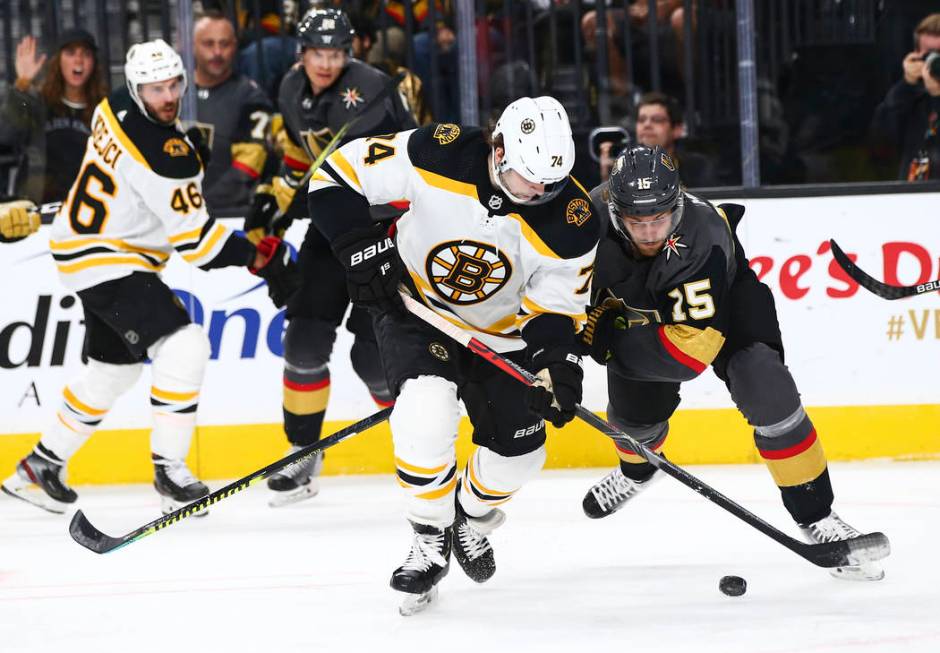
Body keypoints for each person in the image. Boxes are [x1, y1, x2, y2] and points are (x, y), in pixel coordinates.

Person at [306, 96, 601, 610]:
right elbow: (333, 175)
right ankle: (429, 538)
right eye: (529, 177)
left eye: (551, 182)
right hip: (415, 309)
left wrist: (558, 364)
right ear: (499, 147)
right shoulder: (438, 152)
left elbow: (557, 311)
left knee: (522, 458)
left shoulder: (573, 222)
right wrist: (358, 246)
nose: (541, 191)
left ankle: (466, 513)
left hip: (504, 337)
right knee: (423, 413)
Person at [1, 39, 297, 516]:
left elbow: (127, 183)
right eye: (154, 88)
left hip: (79, 241)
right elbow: (199, 245)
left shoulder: (111, 106)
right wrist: (260, 257)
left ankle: (39, 467)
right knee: (185, 344)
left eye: (172, 85)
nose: (166, 96)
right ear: (137, 88)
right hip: (109, 258)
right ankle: (170, 472)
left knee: (113, 369)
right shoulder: (168, 158)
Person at [578, 145, 886, 581]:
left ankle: (817, 515)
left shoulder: (702, 235)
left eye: (659, 220)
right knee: (632, 421)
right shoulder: (584, 219)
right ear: (615, 211)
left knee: (767, 390)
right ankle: (637, 470)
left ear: (677, 204)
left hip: (723, 305)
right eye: (636, 222)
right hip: (640, 314)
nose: (649, 233)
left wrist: (609, 344)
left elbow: (688, 354)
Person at [245, 7, 417, 507]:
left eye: (336, 53)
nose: (327, 62)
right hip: (331, 224)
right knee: (303, 340)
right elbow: (305, 155)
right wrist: (276, 194)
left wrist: (290, 196)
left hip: (386, 227)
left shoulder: (371, 90)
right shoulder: (289, 88)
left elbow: (345, 171)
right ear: (302, 54)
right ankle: (303, 453)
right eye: (318, 53)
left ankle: (421, 449)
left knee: (375, 358)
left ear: (350, 52)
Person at [1, 29, 108, 204]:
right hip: (38, 206)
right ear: (58, 60)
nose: (78, 60)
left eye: (86, 54)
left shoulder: (104, 109)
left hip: (86, 208)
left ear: (94, 63)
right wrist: (22, 85)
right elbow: (6, 134)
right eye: (70, 53)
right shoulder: (37, 101)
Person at [192, 10, 275, 212]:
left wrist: (199, 204)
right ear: (192, 45)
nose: (217, 52)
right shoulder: (173, 92)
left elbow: (247, 168)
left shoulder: (251, 98)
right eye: (208, 44)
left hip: (227, 216)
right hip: (174, 215)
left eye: (224, 44)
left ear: (235, 47)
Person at [872, 13, 940, 181]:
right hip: (912, 196)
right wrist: (907, 84)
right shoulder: (911, 97)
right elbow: (880, 143)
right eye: (930, 55)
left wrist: (938, 97)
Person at [597, 92, 718, 186]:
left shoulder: (696, 167)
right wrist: (607, 178)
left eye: (657, 120)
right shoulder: (624, 167)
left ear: (677, 129)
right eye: (641, 120)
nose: (647, 125)